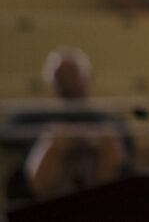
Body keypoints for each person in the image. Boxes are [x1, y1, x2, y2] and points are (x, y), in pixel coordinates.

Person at [1, 48, 132, 205]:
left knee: (106, 139)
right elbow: (6, 134)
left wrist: (85, 140)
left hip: (95, 186)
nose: (67, 82)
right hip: (44, 194)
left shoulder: (106, 118)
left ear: (88, 77)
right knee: (56, 139)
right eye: (60, 76)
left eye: (72, 75)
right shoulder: (36, 114)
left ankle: (101, 206)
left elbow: (126, 149)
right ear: (51, 81)